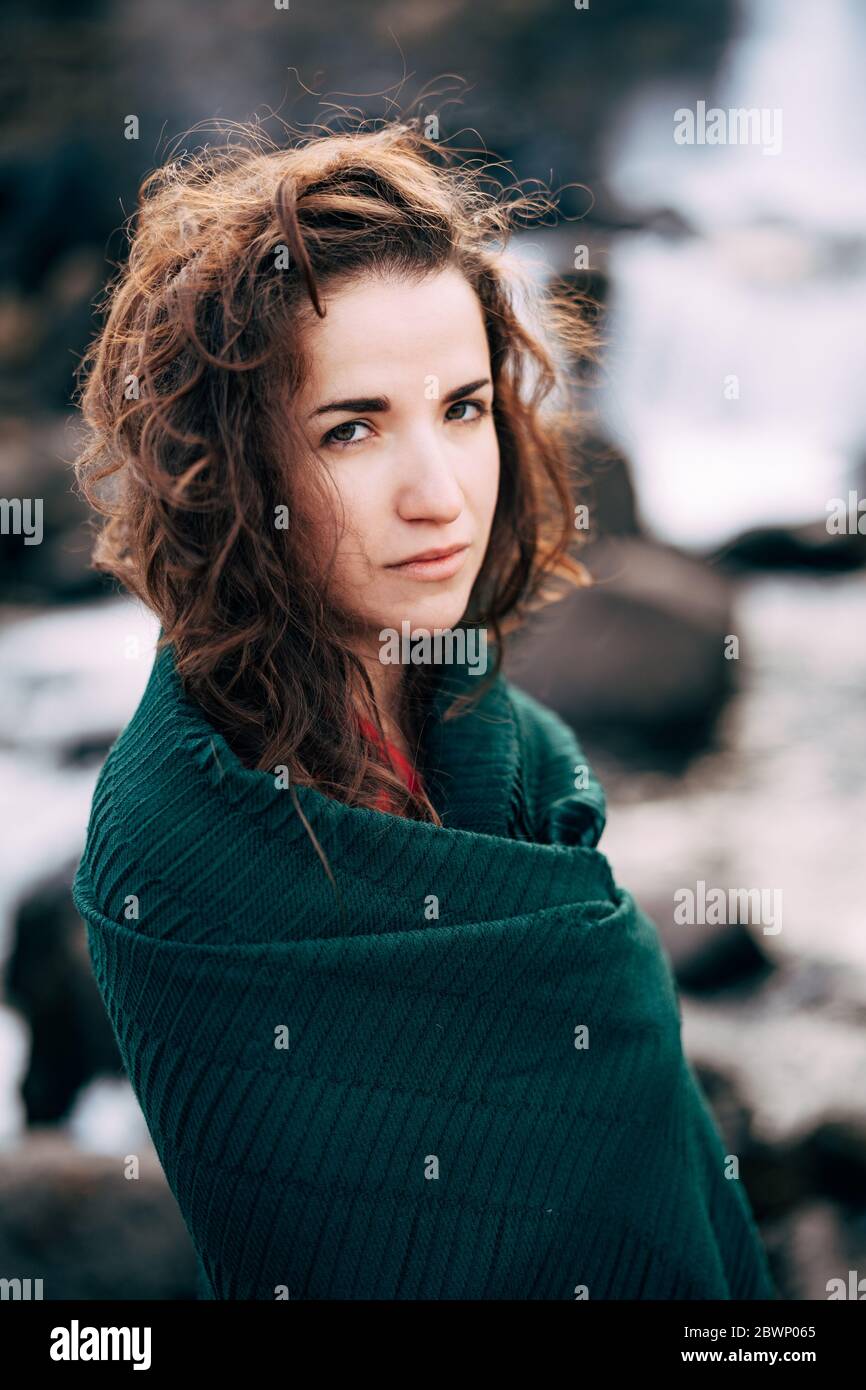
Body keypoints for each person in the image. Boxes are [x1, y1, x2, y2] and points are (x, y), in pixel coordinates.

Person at [71, 118, 778, 1300]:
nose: (438, 492)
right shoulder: (175, 856)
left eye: (461, 407)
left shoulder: (522, 756)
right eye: (352, 428)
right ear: (233, 462)